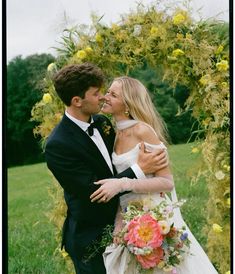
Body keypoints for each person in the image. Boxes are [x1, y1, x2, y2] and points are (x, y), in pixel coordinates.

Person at [44, 63, 168, 274]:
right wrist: (140, 169)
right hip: (91, 237)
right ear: (77, 101)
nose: (102, 97)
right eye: (96, 93)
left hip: (128, 224)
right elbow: (95, 192)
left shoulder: (103, 123)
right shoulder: (58, 145)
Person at [90, 76, 218, 274]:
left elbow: (166, 182)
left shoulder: (142, 130)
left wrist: (124, 183)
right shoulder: (114, 134)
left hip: (154, 213)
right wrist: (118, 221)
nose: (106, 97)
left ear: (127, 104)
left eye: (113, 94)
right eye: (107, 92)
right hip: (128, 217)